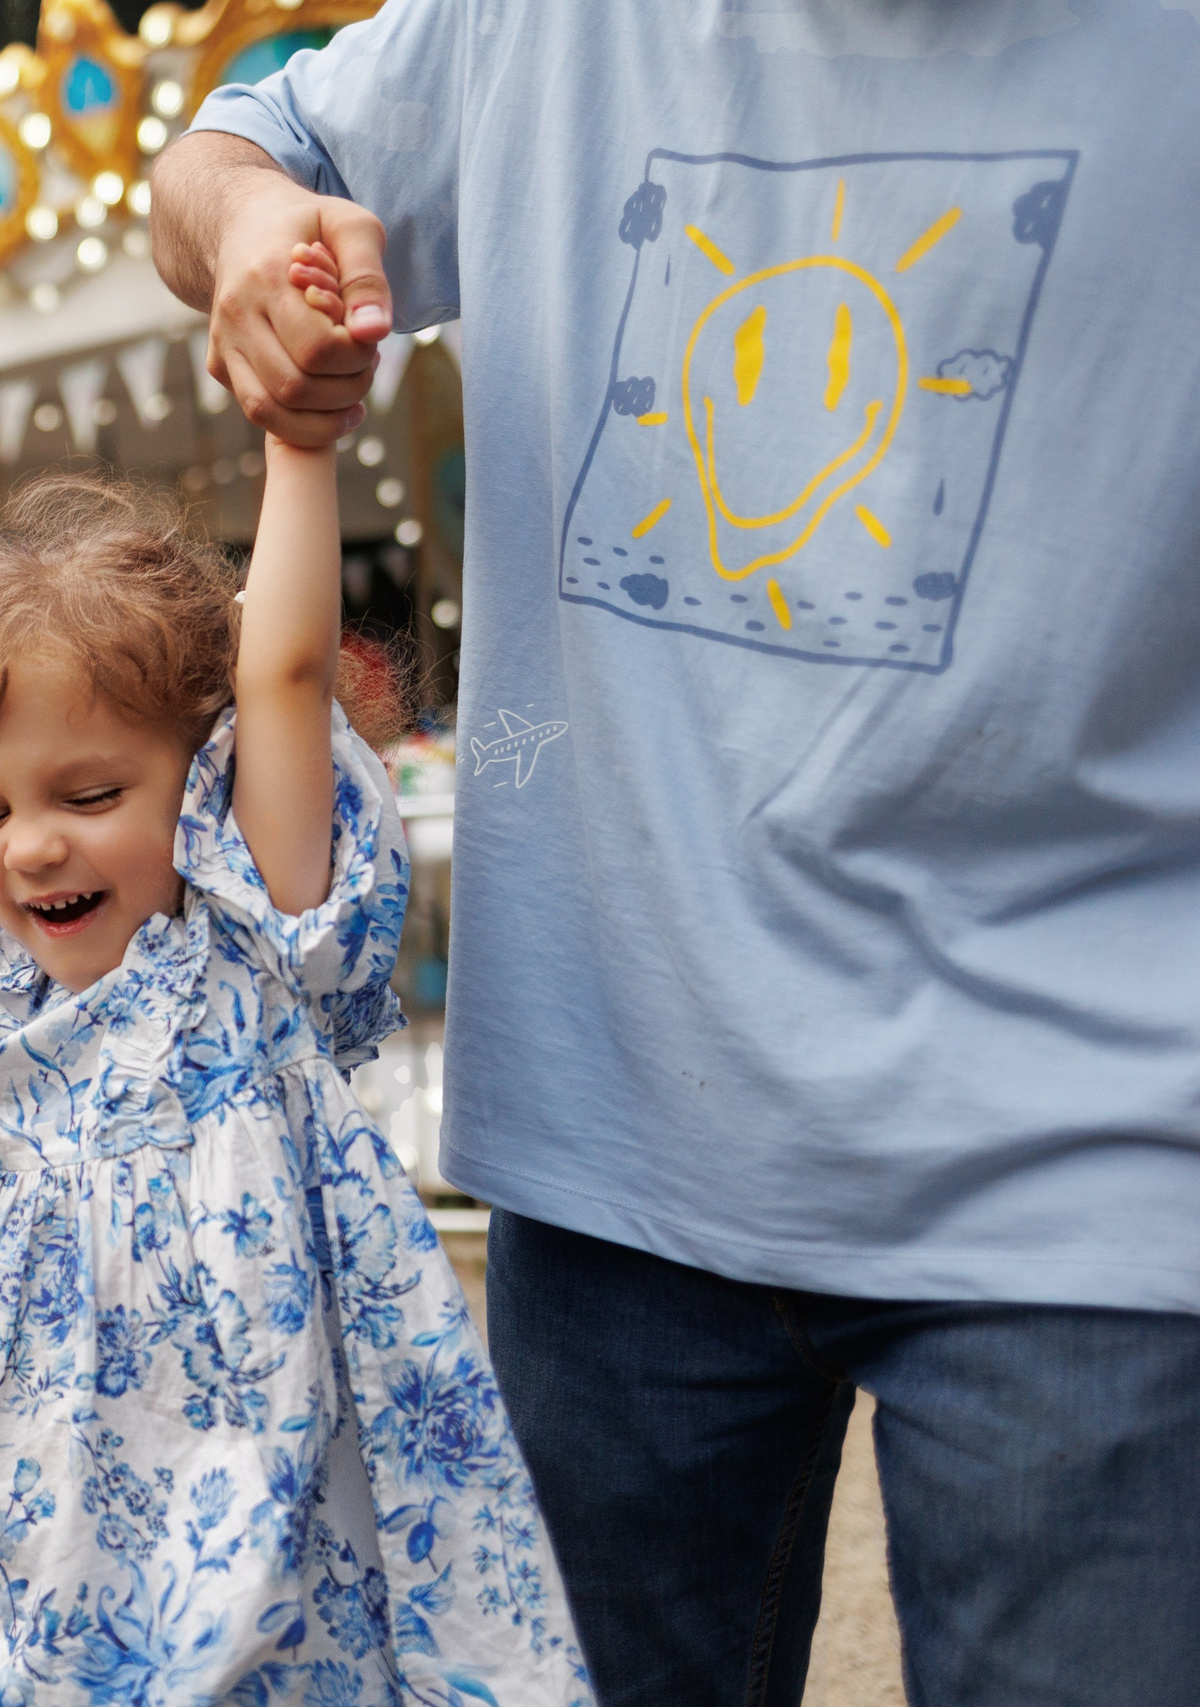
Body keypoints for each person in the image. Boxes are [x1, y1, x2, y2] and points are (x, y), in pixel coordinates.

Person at [149, 2, 1200, 1702]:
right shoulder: (536, 24)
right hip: (614, 1146)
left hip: (1092, 1169)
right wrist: (258, 228)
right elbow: (229, 151)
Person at [0, 245, 586, 1707]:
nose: (28, 848)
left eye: (88, 795)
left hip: (244, 1494)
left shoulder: (238, 948)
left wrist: (297, 448)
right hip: (34, 1518)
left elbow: (278, 673)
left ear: (195, 780)